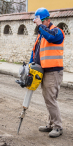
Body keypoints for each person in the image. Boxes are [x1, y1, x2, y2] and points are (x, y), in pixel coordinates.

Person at [30, 8, 65, 138]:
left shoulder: (57, 31)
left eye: (40, 21)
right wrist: (31, 64)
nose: (37, 24)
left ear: (48, 20)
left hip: (53, 71)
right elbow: (35, 52)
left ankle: (58, 127)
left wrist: (40, 26)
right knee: (48, 98)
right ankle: (51, 124)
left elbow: (51, 37)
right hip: (43, 71)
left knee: (51, 99)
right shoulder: (41, 34)